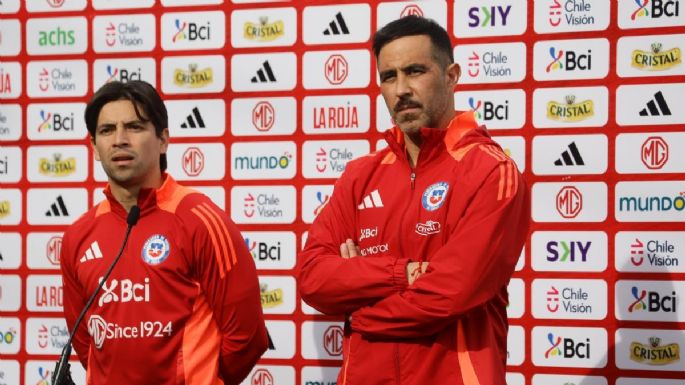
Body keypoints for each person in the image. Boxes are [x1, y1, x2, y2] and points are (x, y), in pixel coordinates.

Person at [297, 16, 530, 385]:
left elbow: (448, 295)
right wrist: (401, 273)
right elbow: (312, 279)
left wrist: (359, 309)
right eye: (389, 76)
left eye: (415, 71)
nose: (401, 89)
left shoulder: (491, 171)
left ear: (451, 75)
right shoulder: (360, 175)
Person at [59, 80, 268, 385]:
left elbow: (247, 337)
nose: (119, 140)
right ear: (93, 147)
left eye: (135, 127)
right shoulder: (78, 236)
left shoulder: (200, 219)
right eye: (106, 131)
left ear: (163, 140)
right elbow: (86, 344)